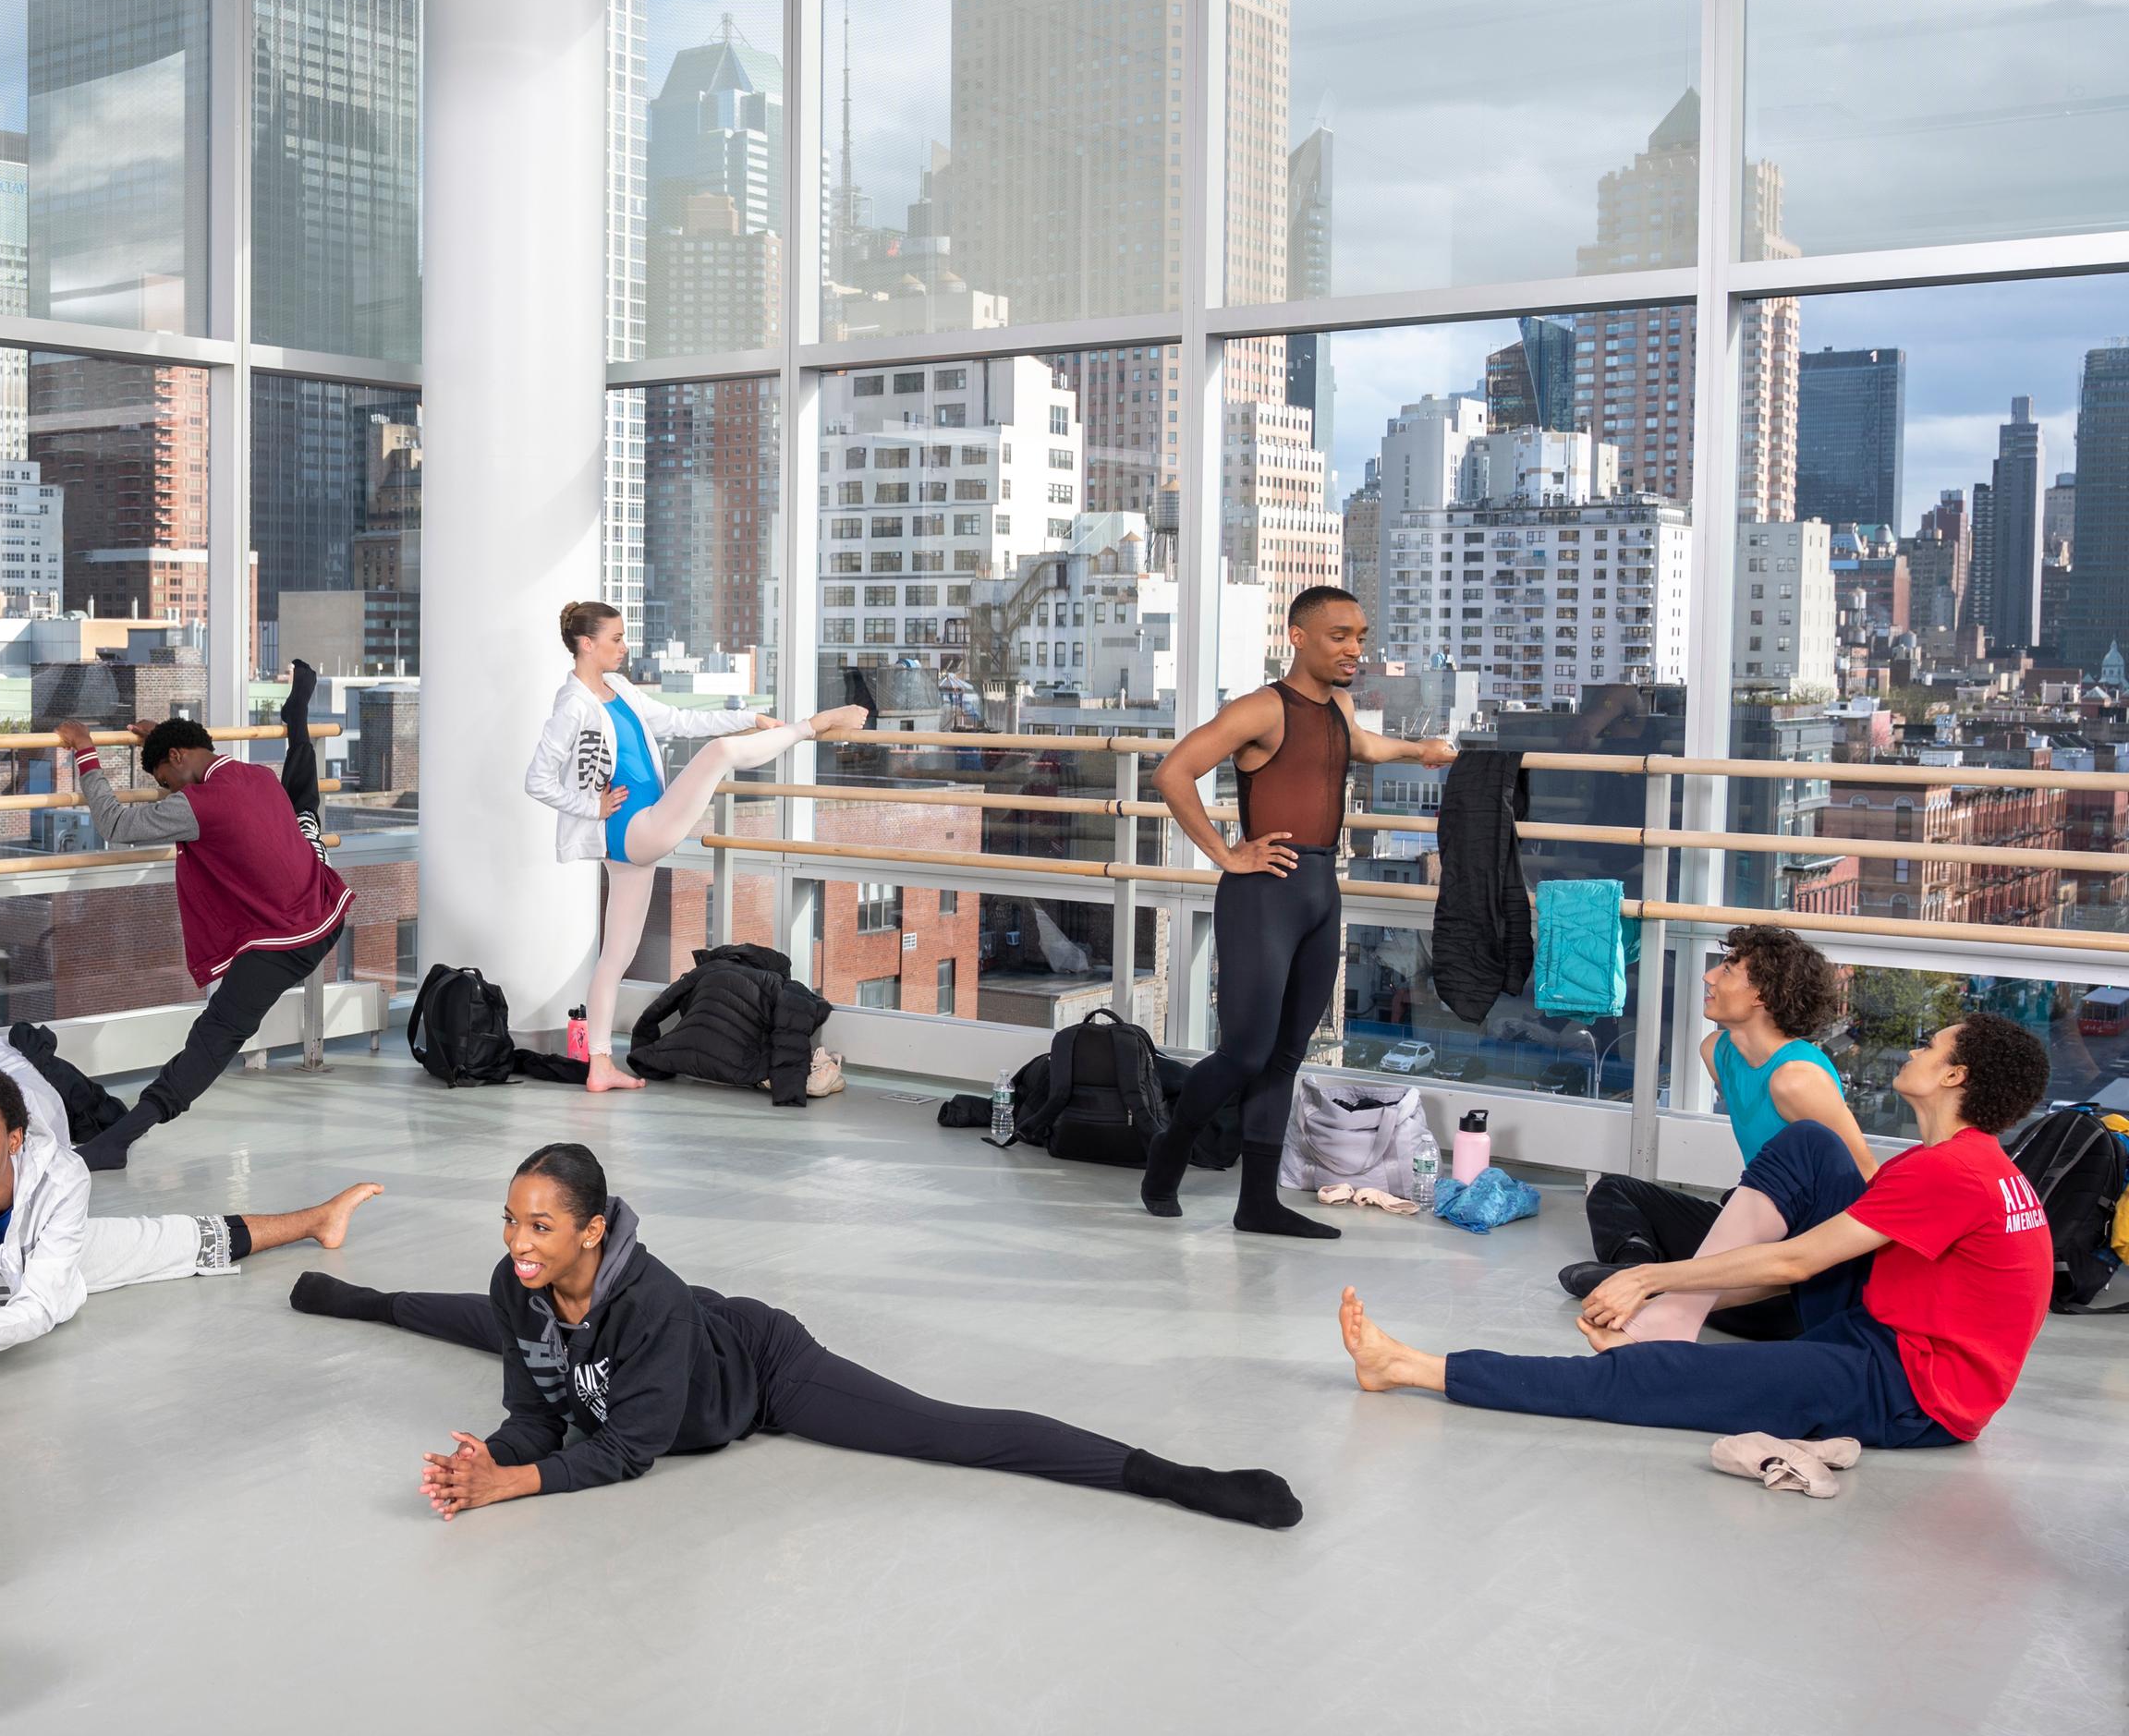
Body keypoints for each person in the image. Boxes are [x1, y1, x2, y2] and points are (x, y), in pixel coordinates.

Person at [288, 1143, 1302, 1528]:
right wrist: (488, 1456)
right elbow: (533, 1414)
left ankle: (1167, 1473)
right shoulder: (521, 1284)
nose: (518, 1240)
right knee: (478, 1319)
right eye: (510, 1219)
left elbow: (623, 1450)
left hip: (759, 1368)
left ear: (593, 1228)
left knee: (947, 1430)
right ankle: (360, 1295)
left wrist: (513, 1483)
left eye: (541, 1225)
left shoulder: (651, 1304)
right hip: (640, 1351)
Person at [1335, 1014, 2057, 1452]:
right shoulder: (1962, 1162)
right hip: (1884, 1330)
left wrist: (1651, 1275)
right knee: (1812, 1145)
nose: (1913, 1054)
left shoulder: (1951, 1172)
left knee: (1662, 1381)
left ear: (1955, 1074)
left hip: (1915, 1389)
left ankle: (1411, 1367)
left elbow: (1799, 1262)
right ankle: (1672, 1325)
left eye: (1930, 1049)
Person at [1132, 588, 1456, 1235]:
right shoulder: (1261, 708)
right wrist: (1225, 853)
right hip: (1264, 894)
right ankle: (1170, 1147)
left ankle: (1257, 1204)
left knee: (1286, 1055)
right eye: (1339, 635)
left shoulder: (1338, 705)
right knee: (1246, 1052)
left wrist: (1419, 751)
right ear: (1298, 636)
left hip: (1320, 892)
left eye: (1360, 635)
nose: (1354, 649)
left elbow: (1358, 745)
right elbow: (1173, 772)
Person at [0, 1058, 383, 1439]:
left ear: (14, 1140)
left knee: (172, 1239)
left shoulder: (59, 1174)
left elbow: (40, 1306)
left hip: (59, 1263)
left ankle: (319, 1220)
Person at [523, 602, 865, 1092]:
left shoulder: (617, 689)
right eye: (616, 639)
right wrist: (589, 806)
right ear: (586, 644)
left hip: (637, 836)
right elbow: (536, 779)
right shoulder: (573, 705)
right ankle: (814, 724)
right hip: (633, 828)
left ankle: (600, 1065)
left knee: (615, 956)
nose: (624, 647)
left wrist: (751, 717)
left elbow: (679, 721)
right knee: (720, 755)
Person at [55, 660, 347, 1171]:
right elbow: (193, 761)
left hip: (286, 940)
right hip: (326, 904)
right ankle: (295, 716)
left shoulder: (199, 804)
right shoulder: (253, 775)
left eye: (167, 780)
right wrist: (160, 745)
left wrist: (86, 753)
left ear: (178, 756)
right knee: (302, 807)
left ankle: (119, 1139)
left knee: (213, 1039)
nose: (172, 792)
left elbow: (116, 823)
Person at [1563, 924, 1881, 1339]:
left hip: (1800, 1257)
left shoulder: (1797, 1079)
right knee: (1613, 1191)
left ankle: (1662, 1290)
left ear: (1762, 995)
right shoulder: (1717, 1051)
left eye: (1728, 970)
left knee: (1765, 1306)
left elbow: (1868, 1183)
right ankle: (1633, 1270)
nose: (1709, 977)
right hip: (1754, 1224)